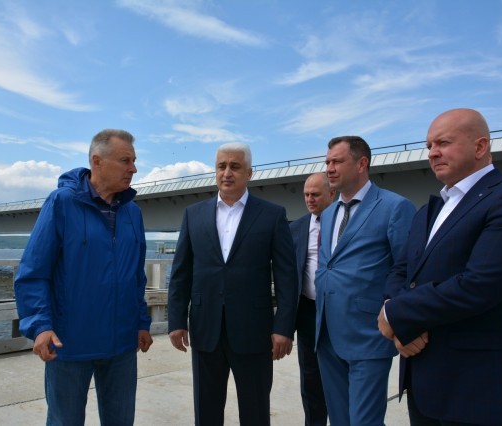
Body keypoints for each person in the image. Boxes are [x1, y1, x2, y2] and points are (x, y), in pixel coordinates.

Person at [378, 108, 502, 425]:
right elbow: (401, 272)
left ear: (480, 147)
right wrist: (399, 320)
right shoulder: (428, 211)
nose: (432, 153)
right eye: (429, 146)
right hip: (423, 382)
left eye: (443, 143)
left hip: (479, 390)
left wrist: (397, 314)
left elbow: (480, 285)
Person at [14, 129, 153, 426]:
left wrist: (142, 322)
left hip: (122, 343)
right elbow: (34, 272)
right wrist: (40, 326)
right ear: (97, 161)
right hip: (70, 343)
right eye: (125, 161)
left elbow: (135, 277)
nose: (133, 168)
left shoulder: (133, 213)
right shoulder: (62, 203)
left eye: (134, 161)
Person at [167, 142, 298, 426]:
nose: (227, 173)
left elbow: (287, 277)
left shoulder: (272, 215)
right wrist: (176, 320)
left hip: (255, 332)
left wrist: (284, 327)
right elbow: (181, 273)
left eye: (235, 166)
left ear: (249, 173)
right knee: (207, 411)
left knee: (255, 412)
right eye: (221, 166)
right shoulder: (193, 215)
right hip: (205, 329)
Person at [315, 136, 416, 425]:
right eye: (327, 162)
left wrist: (402, 321)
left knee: (364, 422)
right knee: (339, 420)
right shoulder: (329, 213)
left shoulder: (395, 207)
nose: (329, 168)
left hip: (368, 334)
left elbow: (407, 270)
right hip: (327, 334)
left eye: (337, 161)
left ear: (362, 164)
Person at [290, 172, 336, 426]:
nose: (309, 199)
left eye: (315, 194)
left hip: (339, 312)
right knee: (310, 380)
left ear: (332, 194)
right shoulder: (295, 228)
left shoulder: (347, 223)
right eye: (306, 194)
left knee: (340, 377)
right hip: (308, 311)